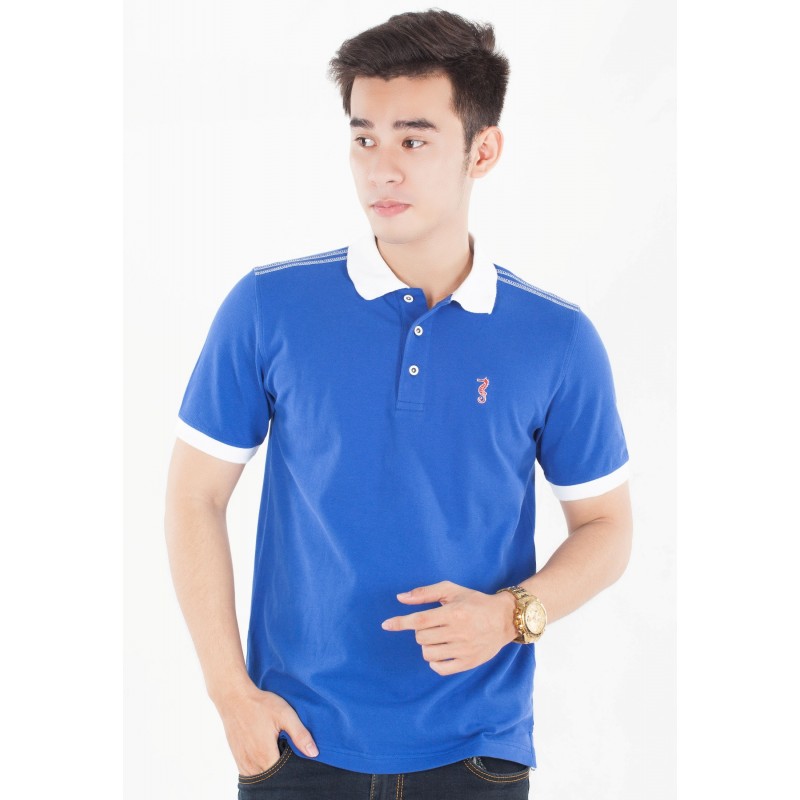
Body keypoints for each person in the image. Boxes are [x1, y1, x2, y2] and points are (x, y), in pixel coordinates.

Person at [165, 9, 632, 799]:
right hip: (294, 746)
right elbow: (194, 497)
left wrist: (512, 615)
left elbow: (608, 527)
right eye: (364, 138)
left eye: (414, 141)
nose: (381, 169)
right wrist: (229, 693)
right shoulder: (269, 307)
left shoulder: (556, 338)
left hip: (476, 754)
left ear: (483, 150)